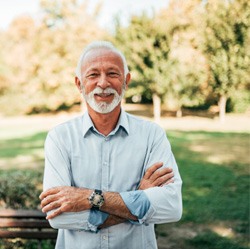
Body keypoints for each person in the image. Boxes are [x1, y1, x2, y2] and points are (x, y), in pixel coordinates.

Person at [39, 41, 182, 249]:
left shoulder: (152, 135)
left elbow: (171, 207)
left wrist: (90, 198)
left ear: (126, 81)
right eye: (93, 74)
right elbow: (58, 217)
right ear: (79, 84)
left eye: (113, 74)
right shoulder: (60, 138)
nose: (103, 83)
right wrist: (138, 200)